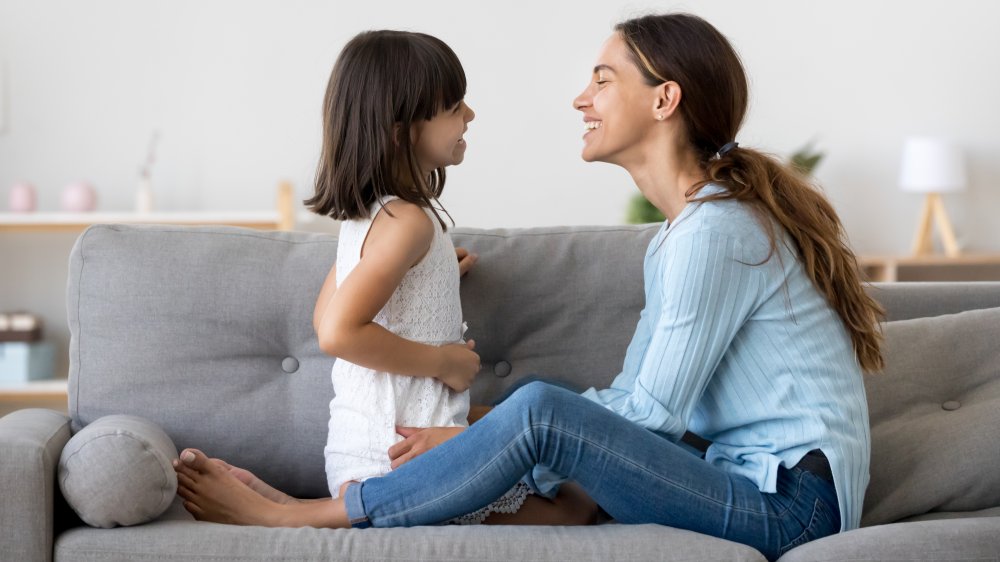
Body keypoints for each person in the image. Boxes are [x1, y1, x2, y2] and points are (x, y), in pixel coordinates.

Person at [174, 13, 883, 559]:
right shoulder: (685, 234)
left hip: (791, 508)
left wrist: (481, 436)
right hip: (748, 479)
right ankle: (349, 498)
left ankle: (303, 515)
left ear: (665, 98)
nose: (582, 97)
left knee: (539, 409)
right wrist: (480, 431)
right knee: (538, 421)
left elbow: (648, 416)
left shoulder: (714, 232)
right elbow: (638, 402)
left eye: (603, 79)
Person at [173, 29, 595, 527]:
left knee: (559, 465)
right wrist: (444, 362)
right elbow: (337, 332)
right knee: (576, 506)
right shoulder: (408, 224)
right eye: (455, 105)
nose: (471, 115)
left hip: (371, 451)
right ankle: (290, 517)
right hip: (402, 459)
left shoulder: (372, 220)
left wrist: (432, 277)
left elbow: (325, 314)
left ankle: (297, 505)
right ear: (401, 131)